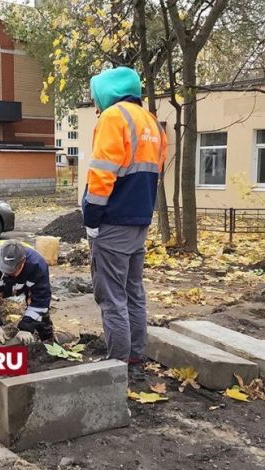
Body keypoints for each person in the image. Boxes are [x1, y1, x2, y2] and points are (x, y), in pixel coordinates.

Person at [82, 66, 167, 383]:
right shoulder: (152, 122)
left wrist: (92, 218)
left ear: (108, 92)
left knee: (112, 297)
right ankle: (135, 358)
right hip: (138, 221)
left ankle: (117, 367)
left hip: (113, 223)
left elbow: (102, 174)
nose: (94, 103)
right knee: (133, 294)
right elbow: (154, 173)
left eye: (96, 95)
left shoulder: (114, 117)